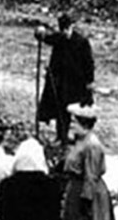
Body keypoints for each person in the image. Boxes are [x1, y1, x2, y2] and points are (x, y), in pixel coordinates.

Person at [35, 13, 94, 146]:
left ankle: (80, 137)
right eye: (63, 29)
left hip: (76, 82)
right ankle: (61, 136)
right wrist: (40, 33)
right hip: (61, 82)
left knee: (79, 110)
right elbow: (46, 38)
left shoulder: (81, 42)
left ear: (71, 27)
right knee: (60, 109)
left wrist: (89, 82)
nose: (65, 32)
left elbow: (89, 63)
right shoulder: (59, 38)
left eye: (67, 29)